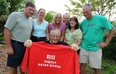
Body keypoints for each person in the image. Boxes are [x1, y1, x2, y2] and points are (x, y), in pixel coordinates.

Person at [80, 4, 115, 74]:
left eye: (87, 12)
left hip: (96, 48)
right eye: (83, 12)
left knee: (97, 68)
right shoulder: (82, 23)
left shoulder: (101, 19)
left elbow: (112, 30)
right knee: (82, 65)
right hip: (84, 47)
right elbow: (83, 32)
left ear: (91, 10)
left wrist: (106, 42)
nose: (85, 14)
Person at [4, 2, 35, 74]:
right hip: (16, 45)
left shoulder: (31, 19)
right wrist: (9, 47)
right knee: (13, 67)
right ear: (25, 8)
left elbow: (29, 32)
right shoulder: (15, 15)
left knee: (23, 67)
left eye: (33, 10)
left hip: (26, 46)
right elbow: (6, 30)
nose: (31, 12)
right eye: (30, 9)